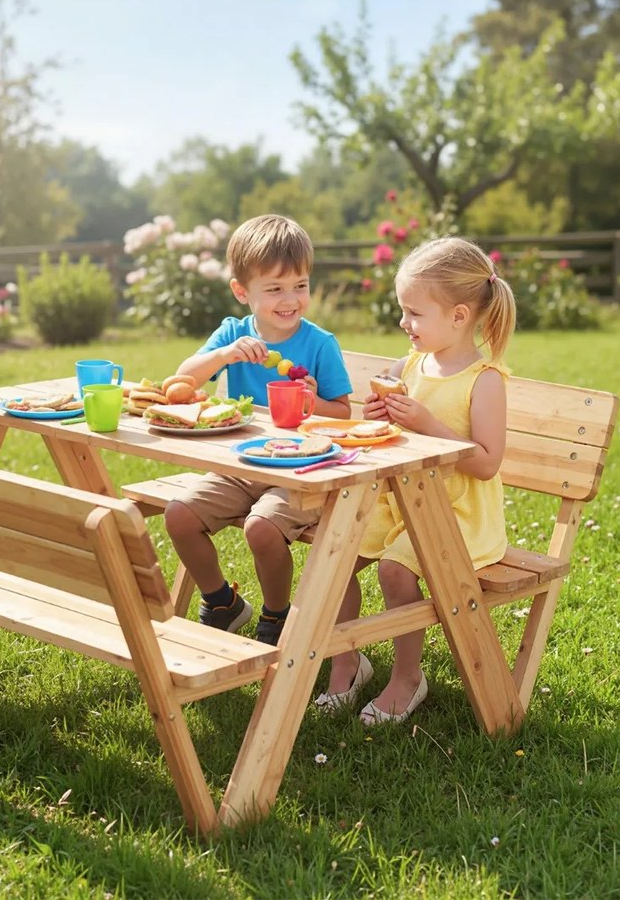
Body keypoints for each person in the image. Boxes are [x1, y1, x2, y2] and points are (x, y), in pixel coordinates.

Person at [317, 235, 517, 724]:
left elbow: (487, 462)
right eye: (402, 310)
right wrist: (381, 417)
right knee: (336, 551)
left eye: (413, 313)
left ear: (459, 316)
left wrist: (428, 424)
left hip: (458, 514)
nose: (403, 323)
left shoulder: (484, 379)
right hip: (400, 502)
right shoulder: (407, 366)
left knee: (394, 570)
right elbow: (394, 435)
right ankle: (348, 659)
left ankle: (408, 676)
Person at [164, 213, 352, 645]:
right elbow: (183, 379)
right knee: (180, 515)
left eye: (300, 286)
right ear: (241, 291)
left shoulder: (319, 343)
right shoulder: (234, 334)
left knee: (261, 528)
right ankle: (222, 601)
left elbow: (343, 413)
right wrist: (226, 355)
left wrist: (313, 400)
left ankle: (277, 615)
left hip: (304, 470)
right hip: (244, 462)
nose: (290, 299)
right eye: (274, 289)